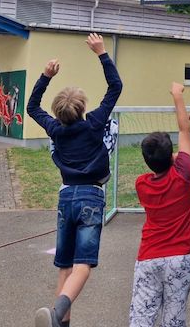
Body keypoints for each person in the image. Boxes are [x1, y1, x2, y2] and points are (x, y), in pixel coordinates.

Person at [28, 33, 123, 327]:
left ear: (59, 112)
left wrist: (45, 77)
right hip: (91, 199)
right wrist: (101, 53)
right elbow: (115, 86)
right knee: (83, 266)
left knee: (65, 269)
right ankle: (56, 314)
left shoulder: (56, 130)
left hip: (65, 198)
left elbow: (32, 107)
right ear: (82, 108)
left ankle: (58, 323)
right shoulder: (94, 124)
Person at [129, 82, 190, 327]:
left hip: (148, 257)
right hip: (179, 258)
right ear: (172, 155)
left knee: (141, 318)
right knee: (174, 318)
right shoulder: (183, 175)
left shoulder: (142, 184)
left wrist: (176, 157)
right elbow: (184, 129)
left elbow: (167, 159)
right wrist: (178, 96)